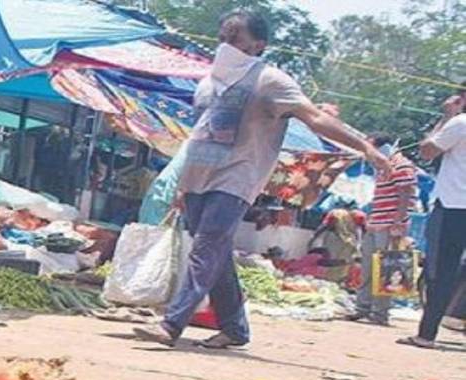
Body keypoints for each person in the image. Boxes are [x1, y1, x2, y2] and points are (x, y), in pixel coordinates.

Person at [133, 10, 390, 349]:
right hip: (197, 178)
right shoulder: (208, 83)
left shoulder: (271, 81)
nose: (226, 46)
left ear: (258, 45)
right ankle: (235, 329)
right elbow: (199, 134)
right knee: (216, 253)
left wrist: (365, 148)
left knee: (206, 247)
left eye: (236, 40)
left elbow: (314, 118)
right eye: (223, 38)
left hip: (238, 175)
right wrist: (183, 185)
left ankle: (172, 323)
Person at [399, 85, 466, 349]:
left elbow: (427, 151)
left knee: (440, 271)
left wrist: (446, 116)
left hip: (454, 204)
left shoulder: (460, 122)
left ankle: (426, 334)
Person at [350, 135, 418, 325]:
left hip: (389, 224)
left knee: (388, 270)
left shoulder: (402, 165)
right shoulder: (382, 167)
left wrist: (399, 222)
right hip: (375, 221)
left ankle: (380, 313)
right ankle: (362, 308)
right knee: (367, 268)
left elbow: (405, 193)